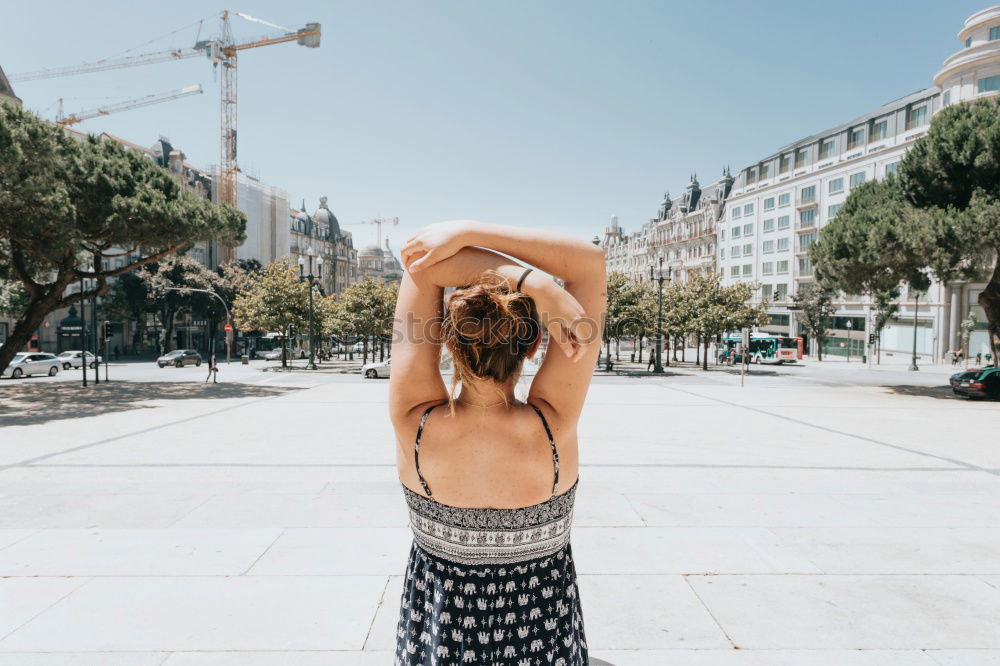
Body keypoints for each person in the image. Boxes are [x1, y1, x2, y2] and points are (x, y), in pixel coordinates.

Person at [390, 220, 604, 666]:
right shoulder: (554, 427)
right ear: (533, 347)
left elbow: (421, 267)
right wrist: (530, 275)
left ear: (447, 341)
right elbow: (590, 262)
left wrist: (533, 285)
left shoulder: (415, 425)